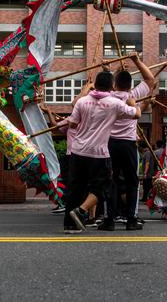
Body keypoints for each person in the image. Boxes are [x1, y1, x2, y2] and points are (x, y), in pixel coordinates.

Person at [62, 71, 141, 234]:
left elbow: (72, 125)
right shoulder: (115, 103)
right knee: (104, 187)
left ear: (95, 84)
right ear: (111, 86)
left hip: (77, 151)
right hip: (98, 153)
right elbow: (137, 114)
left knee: (75, 187)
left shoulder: (82, 102)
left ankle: (70, 225)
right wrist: (133, 103)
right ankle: (82, 211)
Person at [107, 54, 156, 230]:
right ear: (129, 85)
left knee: (111, 181)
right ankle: (131, 220)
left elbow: (110, 84)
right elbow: (150, 79)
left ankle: (109, 220)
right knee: (132, 182)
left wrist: (111, 71)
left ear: (115, 84)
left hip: (110, 144)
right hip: (128, 144)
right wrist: (136, 60)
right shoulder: (132, 95)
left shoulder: (108, 97)